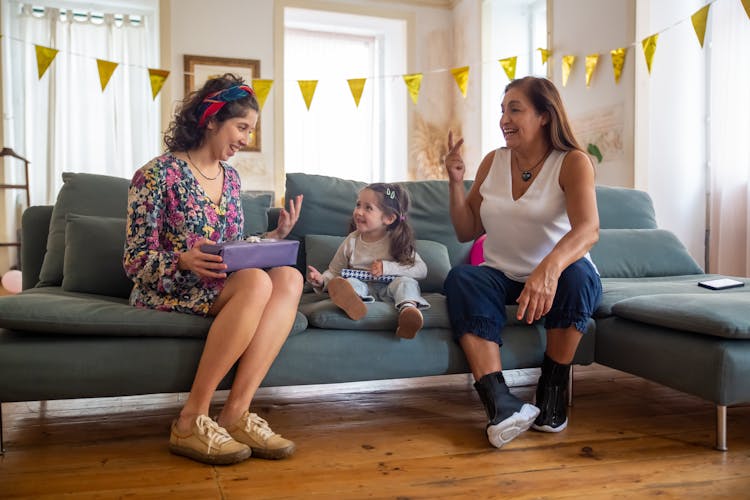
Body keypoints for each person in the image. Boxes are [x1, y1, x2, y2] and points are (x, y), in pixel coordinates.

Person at [124, 73, 304, 465]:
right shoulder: (156, 175)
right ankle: (191, 419)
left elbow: (231, 244)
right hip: (171, 285)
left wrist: (273, 237)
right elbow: (135, 259)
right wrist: (182, 259)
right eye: (241, 127)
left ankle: (236, 414)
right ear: (210, 120)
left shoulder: (231, 178)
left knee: (289, 276)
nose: (246, 139)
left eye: (250, 130)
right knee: (256, 283)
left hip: (218, 284)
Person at [443, 76, 602, 449]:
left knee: (577, 276)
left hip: (562, 275)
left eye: (515, 109)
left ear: (545, 115)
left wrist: (549, 268)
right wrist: (454, 183)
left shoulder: (572, 162)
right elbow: (467, 230)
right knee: (462, 278)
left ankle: (551, 389)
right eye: (502, 110)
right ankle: (501, 403)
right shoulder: (492, 163)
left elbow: (588, 230)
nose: (504, 119)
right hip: (501, 274)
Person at [306, 183, 429, 339]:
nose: (358, 212)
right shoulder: (352, 240)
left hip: (391, 289)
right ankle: (354, 304)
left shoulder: (398, 240)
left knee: (406, 283)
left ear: (389, 218)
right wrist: (322, 280)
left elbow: (421, 269)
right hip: (362, 289)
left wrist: (388, 267)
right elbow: (335, 271)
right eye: (358, 205)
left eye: (368, 208)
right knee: (348, 282)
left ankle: (408, 312)